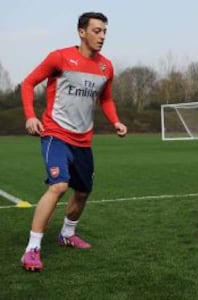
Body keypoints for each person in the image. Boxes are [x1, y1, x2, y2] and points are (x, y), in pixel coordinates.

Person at [20, 12, 127, 271]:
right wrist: (30, 116)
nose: (102, 36)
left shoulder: (106, 66)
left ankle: (67, 235)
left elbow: (106, 99)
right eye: (97, 31)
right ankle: (32, 249)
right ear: (82, 32)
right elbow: (28, 83)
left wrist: (115, 121)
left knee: (82, 192)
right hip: (55, 134)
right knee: (59, 186)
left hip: (83, 141)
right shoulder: (59, 57)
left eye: (104, 32)